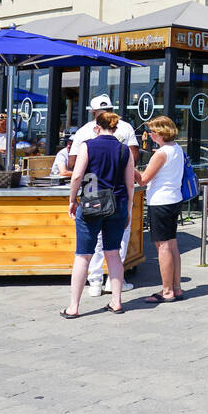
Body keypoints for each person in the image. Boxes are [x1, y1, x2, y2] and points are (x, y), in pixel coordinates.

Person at [63, 110, 135, 317]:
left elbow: (77, 176)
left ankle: (74, 307)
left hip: (91, 204)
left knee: (83, 255)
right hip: (118, 204)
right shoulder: (124, 150)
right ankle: (116, 301)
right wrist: (128, 206)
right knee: (113, 253)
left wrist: (72, 200)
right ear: (115, 128)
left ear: (97, 127)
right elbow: (130, 182)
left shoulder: (87, 145)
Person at [72, 95, 140, 297]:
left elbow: (74, 170)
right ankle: (115, 292)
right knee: (114, 249)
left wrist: (72, 199)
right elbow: (131, 175)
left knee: (86, 251)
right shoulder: (126, 132)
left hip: (92, 195)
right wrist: (128, 207)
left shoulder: (85, 133)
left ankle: (92, 284)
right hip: (117, 198)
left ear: (94, 116)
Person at [137, 116, 186, 303]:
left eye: (152, 132)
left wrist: (129, 166)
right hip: (174, 199)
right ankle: (176, 287)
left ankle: (166, 291)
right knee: (172, 245)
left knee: (163, 247)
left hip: (160, 201)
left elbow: (143, 179)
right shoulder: (177, 149)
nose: (149, 134)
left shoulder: (161, 153)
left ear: (160, 133)